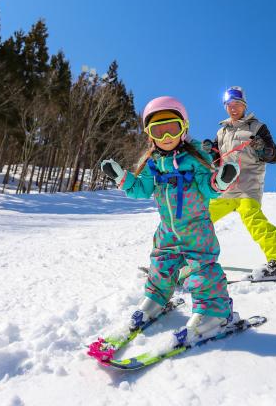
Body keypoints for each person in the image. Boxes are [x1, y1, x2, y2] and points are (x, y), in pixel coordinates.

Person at [97, 96, 241, 348]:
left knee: (201, 270)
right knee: (160, 266)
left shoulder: (196, 159)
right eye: (157, 131)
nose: (165, 137)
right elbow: (141, 189)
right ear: (149, 134)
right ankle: (155, 299)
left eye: (171, 129)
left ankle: (215, 312)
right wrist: (122, 178)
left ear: (183, 128)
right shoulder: (153, 163)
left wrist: (220, 181)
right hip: (167, 232)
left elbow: (208, 188)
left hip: (196, 231)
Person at [203, 86, 276, 280]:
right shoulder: (221, 132)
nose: (233, 108)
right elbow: (217, 161)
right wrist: (210, 152)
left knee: (255, 222)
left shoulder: (257, 127)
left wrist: (261, 147)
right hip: (225, 189)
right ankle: (181, 263)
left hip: (248, 187)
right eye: (229, 105)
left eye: (237, 104)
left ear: (244, 105)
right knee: (199, 219)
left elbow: (274, 156)